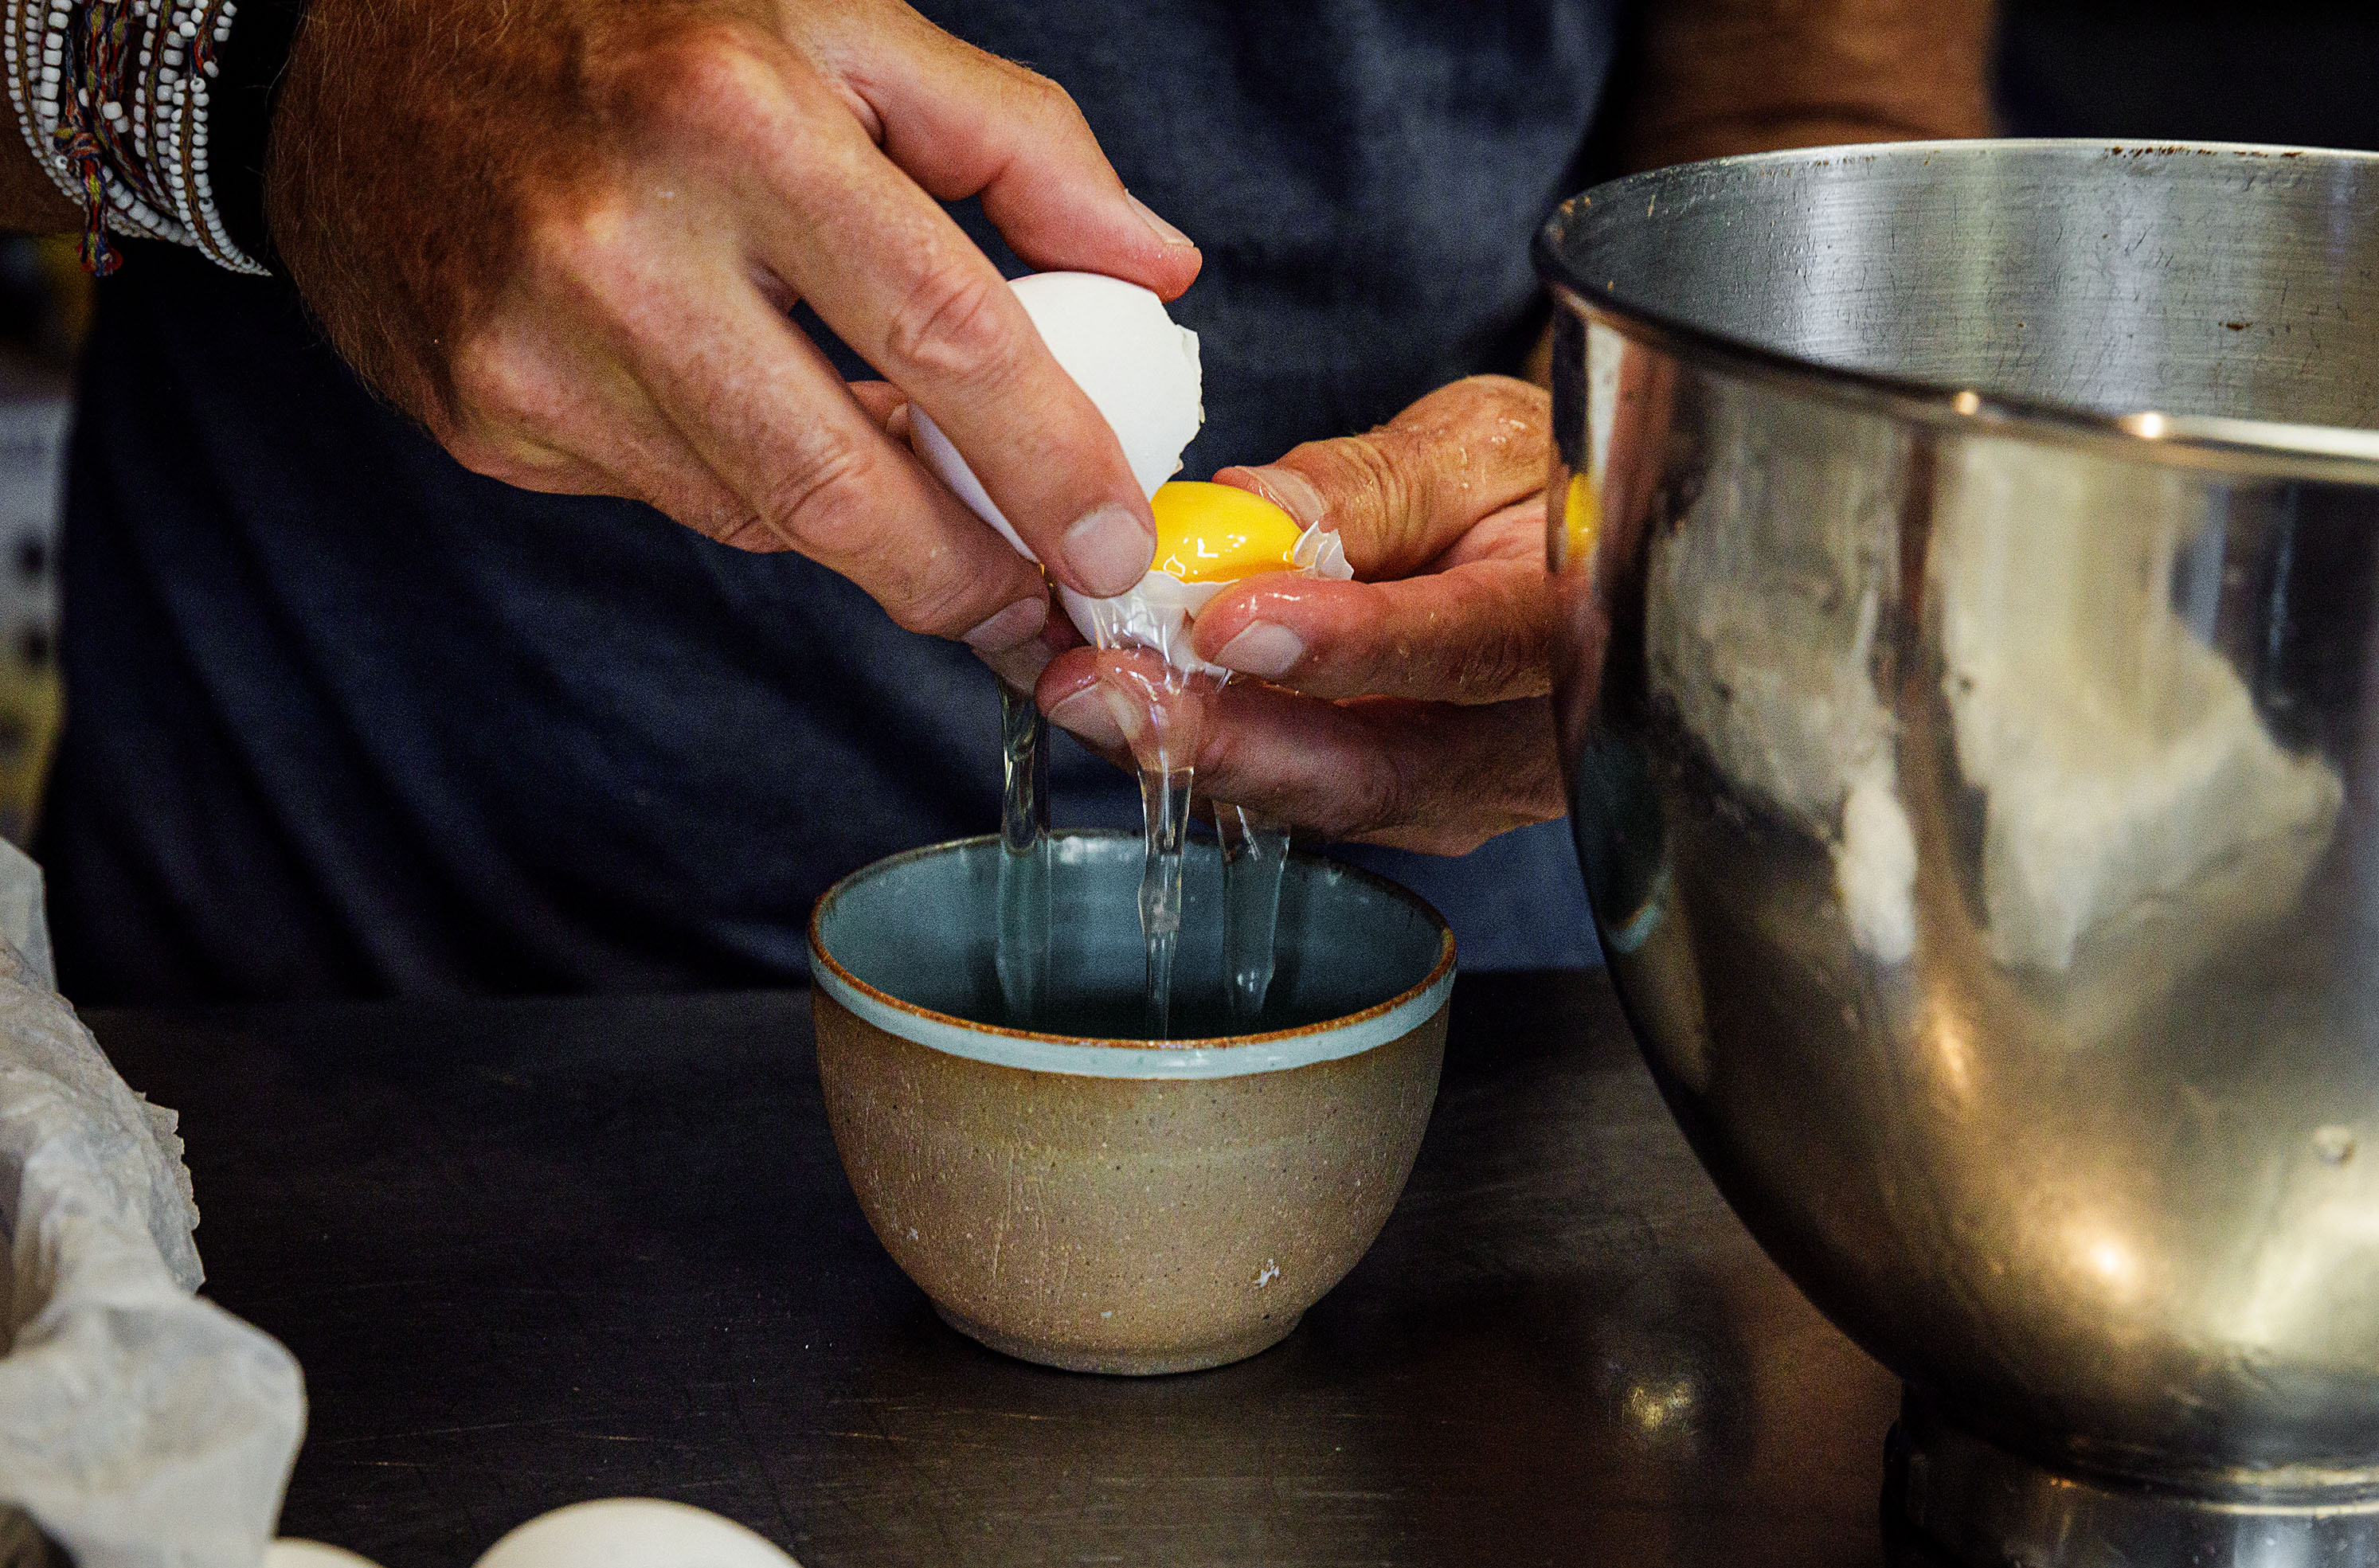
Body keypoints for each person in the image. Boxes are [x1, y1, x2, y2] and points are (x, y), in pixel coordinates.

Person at [0, 0, 1991, 1002]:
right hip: (375, 1028)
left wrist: (1679, 462)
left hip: (1467, 1048)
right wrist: (278, 73)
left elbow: (1813, 82)